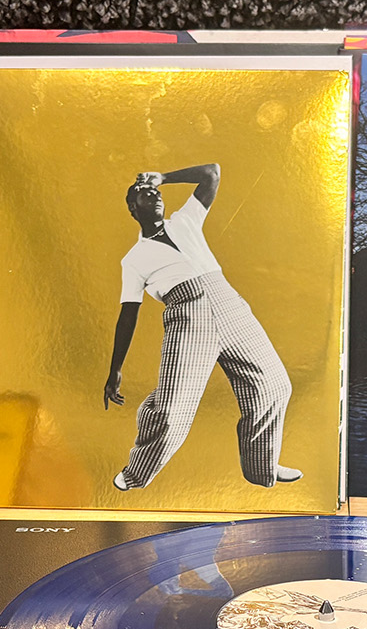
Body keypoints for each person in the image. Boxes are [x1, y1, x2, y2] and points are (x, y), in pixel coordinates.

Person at [102, 162, 299, 491]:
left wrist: (163, 177)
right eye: (146, 195)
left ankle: (261, 467)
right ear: (133, 208)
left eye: (157, 193)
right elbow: (128, 314)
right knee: (170, 410)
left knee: (275, 385)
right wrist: (115, 369)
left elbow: (212, 172)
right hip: (187, 316)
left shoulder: (185, 220)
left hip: (229, 302)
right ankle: (135, 473)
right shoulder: (134, 259)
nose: (156, 197)